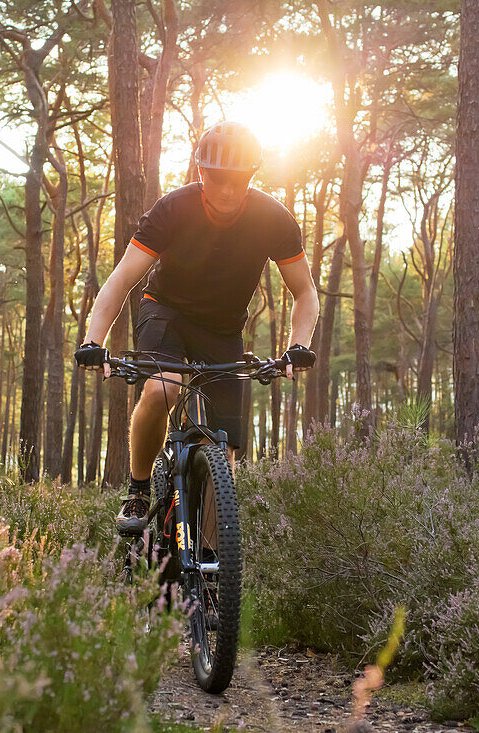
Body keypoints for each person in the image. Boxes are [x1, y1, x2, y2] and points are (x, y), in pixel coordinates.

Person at [74, 121, 321, 535]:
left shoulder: (273, 218)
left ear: (252, 176)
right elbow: (121, 280)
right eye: (217, 178)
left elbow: (305, 293)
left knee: (223, 452)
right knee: (163, 386)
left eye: (238, 180)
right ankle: (137, 490)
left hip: (222, 329)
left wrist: (299, 345)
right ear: (200, 171)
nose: (227, 190)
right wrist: (93, 341)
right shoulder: (173, 209)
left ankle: (208, 572)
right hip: (165, 311)